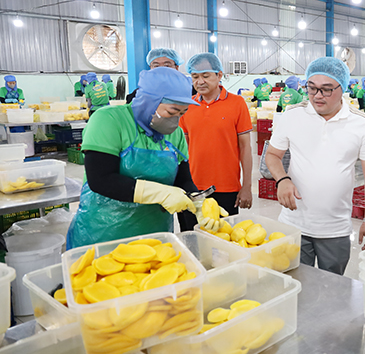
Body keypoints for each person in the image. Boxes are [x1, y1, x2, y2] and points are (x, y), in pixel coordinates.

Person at [266, 57, 365, 275]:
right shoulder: (292, 115)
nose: (317, 96)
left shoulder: (360, 122)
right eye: (312, 88)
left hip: (335, 228)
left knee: (333, 287)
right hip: (293, 224)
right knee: (295, 283)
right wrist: (282, 179)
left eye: (326, 89)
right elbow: (272, 155)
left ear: (342, 88)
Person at [66, 67, 201, 249]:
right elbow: (100, 179)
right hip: (103, 232)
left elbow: (183, 179)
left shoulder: (175, 134)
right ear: (150, 101)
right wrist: (161, 193)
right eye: (172, 112)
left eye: (182, 113)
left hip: (155, 234)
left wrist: (199, 202)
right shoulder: (109, 120)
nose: (175, 120)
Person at [177, 53, 253, 231]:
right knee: (192, 237)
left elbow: (245, 148)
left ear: (219, 75)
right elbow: (182, 150)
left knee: (224, 238)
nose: (200, 82)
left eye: (205, 76)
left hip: (226, 187)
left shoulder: (237, 103)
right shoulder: (187, 106)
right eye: (195, 77)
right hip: (192, 187)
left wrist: (247, 186)